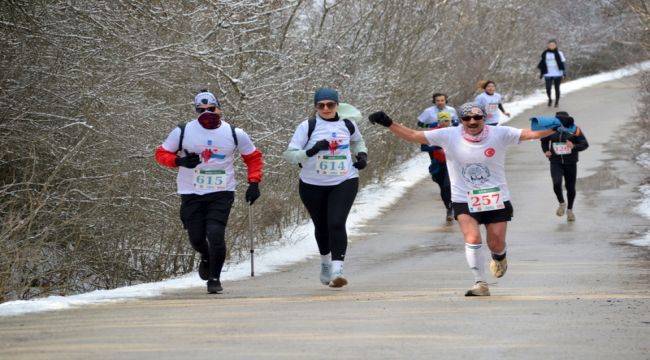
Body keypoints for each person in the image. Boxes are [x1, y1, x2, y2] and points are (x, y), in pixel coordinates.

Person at [368, 102, 561, 296]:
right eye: (467, 118)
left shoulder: (499, 133)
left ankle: (499, 257)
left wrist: (556, 127)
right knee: (473, 237)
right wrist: (388, 123)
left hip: (496, 197)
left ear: (484, 118)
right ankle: (480, 283)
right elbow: (413, 135)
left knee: (495, 243)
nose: (472, 121)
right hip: (463, 198)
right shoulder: (448, 135)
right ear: (460, 120)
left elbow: (529, 134)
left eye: (477, 117)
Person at [154, 90, 264, 294]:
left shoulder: (234, 133)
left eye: (211, 109)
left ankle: (214, 278)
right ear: (196, 111)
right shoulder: (183, 131)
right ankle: (205, 255)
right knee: (196, 238)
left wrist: (254, 182)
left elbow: (253, 157)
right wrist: (179, 161)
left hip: (221, 191)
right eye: (201, 110)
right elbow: (161, 154)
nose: (206, 113)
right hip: (191, 192)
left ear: (219, 108)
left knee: (215, 233)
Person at [284, 88, 367, 288]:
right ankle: (326, 263)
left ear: (337, 105)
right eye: (320, 105)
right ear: (315, 107)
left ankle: (338, 270)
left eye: (330, 104)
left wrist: (362, 155)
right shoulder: (308, 126)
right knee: (321, 227)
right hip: (312, 184)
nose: (326, 108)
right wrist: (311, 150)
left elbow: (358, 142)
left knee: (336, 223)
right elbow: (290, 155)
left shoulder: (348, 124)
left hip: (344, 180)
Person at [539, 111, 588, 221]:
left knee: (570, 187)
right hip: (555, 161)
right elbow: (544, 141)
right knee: (556, 183)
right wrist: (546, 150)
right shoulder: (551, 129)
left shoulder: (575, 130)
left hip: (570, 162)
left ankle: (570, 210)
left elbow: (585, 144)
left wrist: (573, 146)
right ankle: (562, 203)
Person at [537, 39, 566, 108]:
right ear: (548, 45)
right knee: (548, 88)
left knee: (557, 88)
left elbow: (563, 63)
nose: (551, 46)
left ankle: (556, 102)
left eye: (553, 45)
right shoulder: (545, 53)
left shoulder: (559, 53)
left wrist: (564, 73)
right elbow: (542, 63)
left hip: (557, 73)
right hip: (548, 73)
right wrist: (542, 73)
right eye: (550, 45)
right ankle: (550, 99)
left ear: (556, 45)